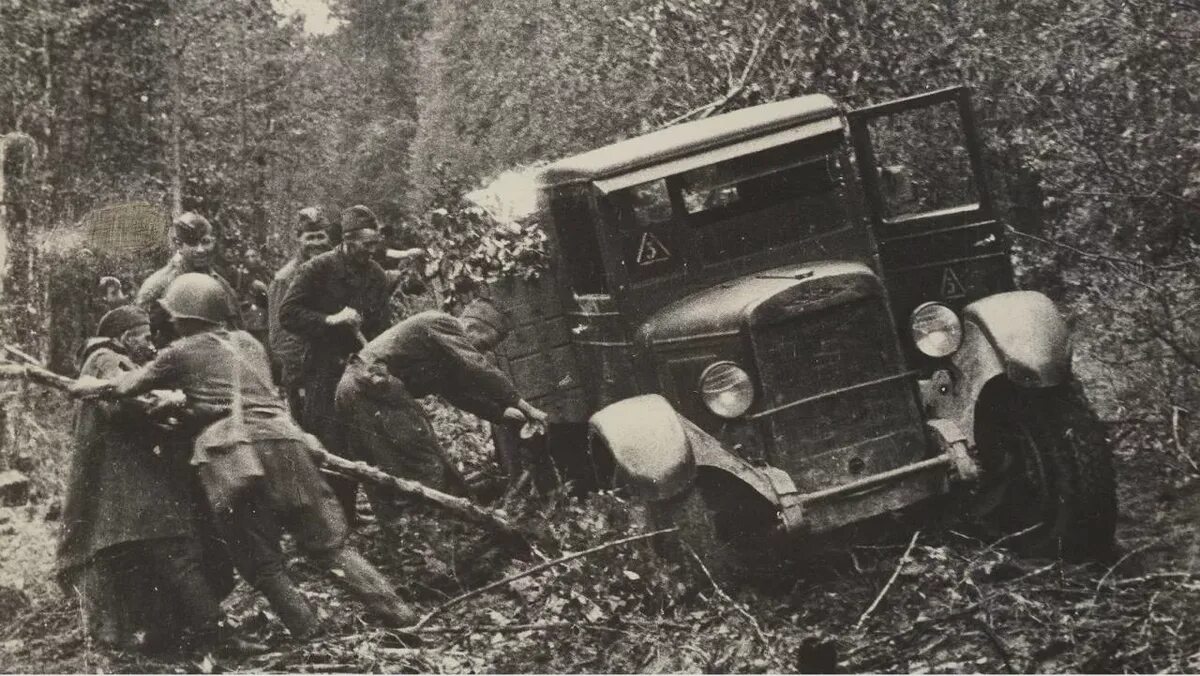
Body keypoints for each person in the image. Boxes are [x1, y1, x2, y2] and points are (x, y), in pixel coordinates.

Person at [71, 274, 418, 639]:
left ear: (186, 317)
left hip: (234, 454)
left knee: (261, 561)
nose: (170, 322)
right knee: (329, 545)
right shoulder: (249, 343)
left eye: (174, 315)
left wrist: (90, 385)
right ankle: (398, 613)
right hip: (287, 442)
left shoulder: (180, 352)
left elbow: (125, 387)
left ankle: (309, 629)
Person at [56, 306, 248, 653]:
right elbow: (120, 402)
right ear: (123, 338)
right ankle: (219, 637)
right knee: (178, 551)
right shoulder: (104, 357)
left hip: (127, 481)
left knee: (160, 557)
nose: (150, 345)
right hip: (129, 482)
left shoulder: (111, 358)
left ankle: (166, 636)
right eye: (144, 337)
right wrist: (166, 404)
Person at [334, 299, 548, 531]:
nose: (483, 351)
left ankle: (404, 535)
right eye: (485, 344)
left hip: (355, 387)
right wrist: (523, 404)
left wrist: (502, 412)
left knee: (385, 464)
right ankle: (443, 531)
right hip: (371, 385)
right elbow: (479, 366)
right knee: (424, 462)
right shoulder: (441, 322)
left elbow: (456, 393)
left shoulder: (441, 352)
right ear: (472, 328)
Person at [279, 205, 394, 521]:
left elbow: (382, 326)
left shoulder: (376, 275)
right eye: (366, 244)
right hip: (323, 372)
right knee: (329, 443)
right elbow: (287, 315)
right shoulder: (318, 269)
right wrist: (330, 319)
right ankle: (331, 519)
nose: (372, 251)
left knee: (363, 439)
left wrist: (379, 362)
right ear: (347, 239)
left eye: (375, 244)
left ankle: (354, 514)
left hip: (360, 369)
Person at [137, 212, 241, 348]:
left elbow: (237, 330)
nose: (200, 250)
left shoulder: (220, 283)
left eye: (205, 242)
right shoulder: (159, 284)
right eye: (192, 243)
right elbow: (140, 335)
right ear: (179, 245)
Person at [267, 207, 332, 415]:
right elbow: (280, 336)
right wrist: (300, 373)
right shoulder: (285, 278)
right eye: (309, 237)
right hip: (304, 372)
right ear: (298, 239)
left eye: (320, 236)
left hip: (334, 367)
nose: (316, 243)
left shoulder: (336, 271)